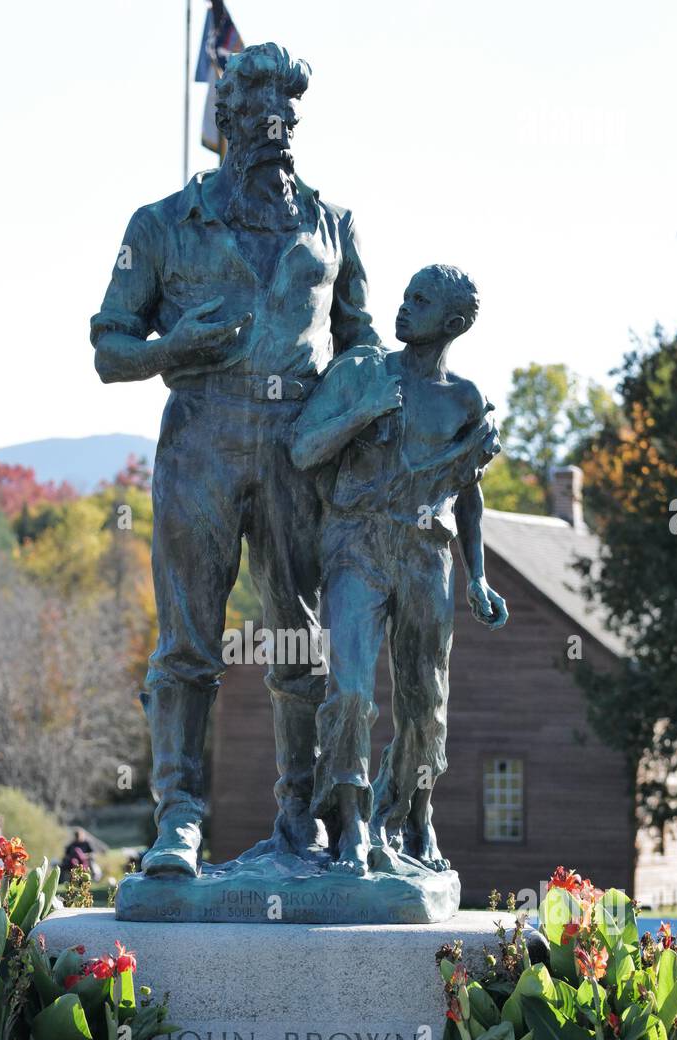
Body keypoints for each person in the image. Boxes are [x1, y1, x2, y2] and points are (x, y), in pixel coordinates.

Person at [90, 42, 379, 876]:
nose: (277, 130)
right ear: (227, 126)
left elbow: (362, 343)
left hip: (299, 453)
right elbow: (110, 345)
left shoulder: (332, 225)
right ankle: (178, 819)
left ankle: (301, 815)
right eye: (260, 115)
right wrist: (169, 346)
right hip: (201, 445)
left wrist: (373, 399)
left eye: (288, 116)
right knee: (187, 643)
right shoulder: (161, 226)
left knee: (300, 643)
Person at [290, 264, 508, 875]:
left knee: (425, 700)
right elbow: (302, 448)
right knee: (352, 689)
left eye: (422, 301)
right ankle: (352, 821)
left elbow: (468, 493)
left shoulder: (464, 401)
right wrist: (360, 414)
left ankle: (412, 812)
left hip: (425, 556)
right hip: (356, 543)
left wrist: (479, 576)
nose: (405, 307)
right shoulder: (362, 370)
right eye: (407, 294)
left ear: (453, 324)